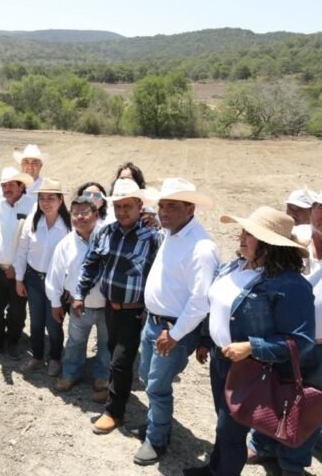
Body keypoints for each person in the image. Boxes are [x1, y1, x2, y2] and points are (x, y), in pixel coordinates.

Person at [184, 206, 318, 476]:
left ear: (270, 245)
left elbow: (300, 340)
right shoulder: (235, 266)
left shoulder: (290, 284)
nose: (241, 237)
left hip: (251, 368)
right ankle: (216, 468)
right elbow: (216, 306)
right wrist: (205, 339)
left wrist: (251, 347)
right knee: (223, 422)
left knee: (231, 428)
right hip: (222, 358)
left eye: (250, 234)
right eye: (243, 231)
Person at [132, 178, 220, 465]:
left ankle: (157, 439)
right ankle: (157, 423)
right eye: (162, 205)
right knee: (147, 377)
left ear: (190, 208)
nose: (164, 211)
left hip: (172, 329)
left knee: (157, 385)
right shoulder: (172, 233)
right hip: (155, 322)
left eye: (172, 206)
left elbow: (200, 301)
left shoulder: (201, 248)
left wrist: (175, 334)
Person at [72, 178, 160, 435]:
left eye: (128, 206)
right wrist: (80, 293)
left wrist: (149, 310)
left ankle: (114, 411)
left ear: (139, 206)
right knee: (113, 353)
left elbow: (157, 276)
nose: (122, 211)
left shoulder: (153, 237)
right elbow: (91, 264)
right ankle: (115, 391)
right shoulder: (106, 232)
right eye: (118, 206)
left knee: (121, 360)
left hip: (135, 311)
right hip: (111, 307)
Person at [47, 196, 109, 401]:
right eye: (75, 213)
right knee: (75, 342)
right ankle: (71, 373)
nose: (79, 217)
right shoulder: (65, 244)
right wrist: (55, 303)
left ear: (96, 215)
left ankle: (102, 376)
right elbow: (55, 275)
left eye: (84, 212)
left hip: (108, 306)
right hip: (78, 305)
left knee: (106, 343)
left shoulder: (109, 238)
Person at [14, 178, 70, 374]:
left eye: (51, 198)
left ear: (60, 200)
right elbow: (22, 250)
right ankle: (37, 356)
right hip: (34, 279)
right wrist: (19, 279)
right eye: (42, 198)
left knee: (54, 323)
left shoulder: (69, 226)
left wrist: (70, 286)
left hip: (57, 283)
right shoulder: (32, 220)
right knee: (36, 322)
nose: (45, 203)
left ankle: (55, 357)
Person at [0, 167, 35, 359]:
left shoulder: (32, 206)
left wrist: (17, 268)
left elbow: (32, 242)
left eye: (11, 184)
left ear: (21, 186)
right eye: (4, 185)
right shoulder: (0, 205)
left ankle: (13, 342)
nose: (7, 188)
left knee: (16, 311)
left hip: (19, 270)